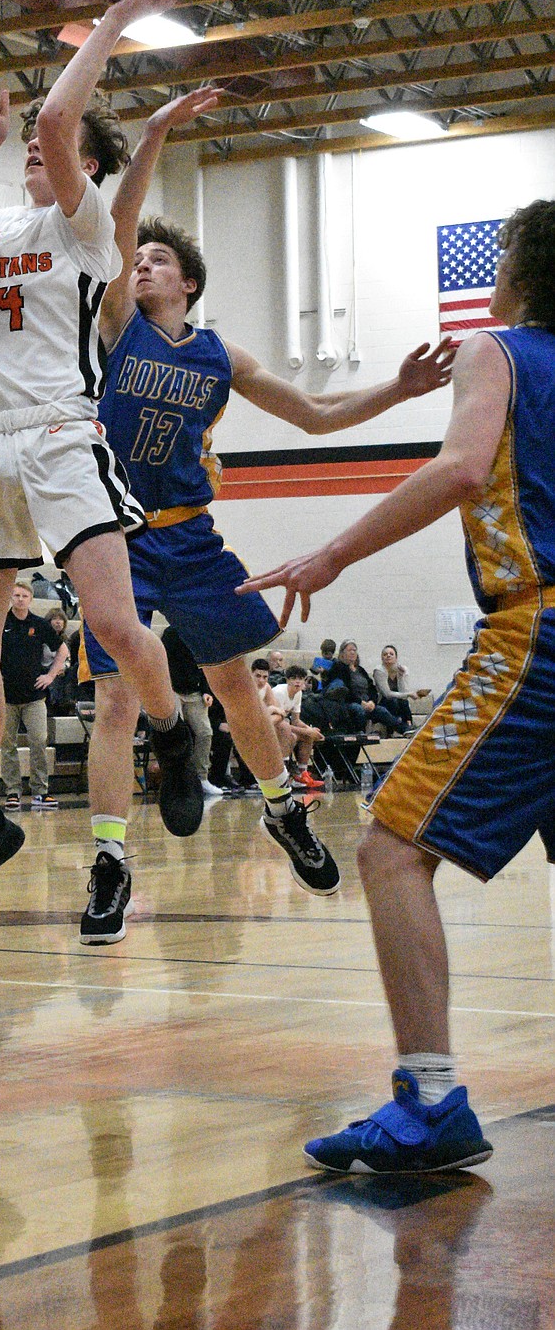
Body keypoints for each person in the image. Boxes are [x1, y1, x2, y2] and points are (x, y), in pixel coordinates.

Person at [76, 96, 458, 947]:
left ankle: (285, 811)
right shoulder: (116, 325)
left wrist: (398, 389)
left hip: (190, 532)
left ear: (191, 283)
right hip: (117, 536)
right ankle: (109, 861)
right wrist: (155, 139)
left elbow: (316, 416)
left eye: (159, 259)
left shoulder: (221, 357)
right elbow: (121, 217)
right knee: (113, 700)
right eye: (136, 256)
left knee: (235, 686)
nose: (141, 263)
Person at [243, 199, 555, 1176]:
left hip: (535, 633)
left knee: (388, 846)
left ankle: (428, 1096)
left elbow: (464, 467)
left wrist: (332, 552)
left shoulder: (496, 351)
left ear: (513, 272)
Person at [0, 0, 202, 927]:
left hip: (59, 429)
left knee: (118, 627)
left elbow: (55, 120)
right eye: (35, 156)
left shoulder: (86, 233)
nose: (39, 158)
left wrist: (116, 21)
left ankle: (172, 730)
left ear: (81, 167)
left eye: (55, 153)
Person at [0, 581, 68, 810]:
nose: (20, 599)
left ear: (31, 599)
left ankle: (40, 792)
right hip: (5, 696)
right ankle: (12, 792)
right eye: (16, 595)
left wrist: (50, 675)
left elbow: (63, 650)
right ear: (10, 597)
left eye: (24, 595)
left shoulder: (39, 624)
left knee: (38, 741)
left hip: (35, 696)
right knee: (7, 745)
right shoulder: (1, 623)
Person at [161, 625, 217, 799]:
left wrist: (207, 690)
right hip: (173, 690)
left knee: (205, 732)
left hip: (194, 691)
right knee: (177, 732)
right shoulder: (170, 634)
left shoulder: (200, 632)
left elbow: (205, 665)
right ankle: (176, 779)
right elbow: (162, 662)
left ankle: (202, 777)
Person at [325, 640, 403, 736]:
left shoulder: (360, 670)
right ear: (342, 653)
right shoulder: (338, 667)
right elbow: (345, 691)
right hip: (349, 703)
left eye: (354, 650)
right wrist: (361, 702)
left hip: (367, 703)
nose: (353, 652)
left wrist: (372, 702)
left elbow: (372, 689)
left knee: (382, 710)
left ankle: (404, 729)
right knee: (358, 709)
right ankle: (360, 733)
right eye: (349, 650)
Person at [270, 664, 325, 788]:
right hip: (268, 726)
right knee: (291, 735)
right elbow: (278, 723)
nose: (297, 681)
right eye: (294, 678)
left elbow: (296, 721)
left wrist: (310, 730)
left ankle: (302, 774)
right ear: (287, 680)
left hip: (282, 726)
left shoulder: (298, 693)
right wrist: (307, 731)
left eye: (300, 678)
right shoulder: (279, 692)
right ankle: (283, 775)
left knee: (307, 736)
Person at [373, 644, 430, 730]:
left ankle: (409, 725)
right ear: (382, 658)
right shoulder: (379, 671)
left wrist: (401, 676)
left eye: (391, 654)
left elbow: (404, 691)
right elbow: (387, 694)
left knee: (404, 702)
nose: (388, 656)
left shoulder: (401, 669)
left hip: (398, 702)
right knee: (393, 700)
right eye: (385, 654)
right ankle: (403, 726)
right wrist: (410, 694)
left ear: (396, 658)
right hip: (384, 701)